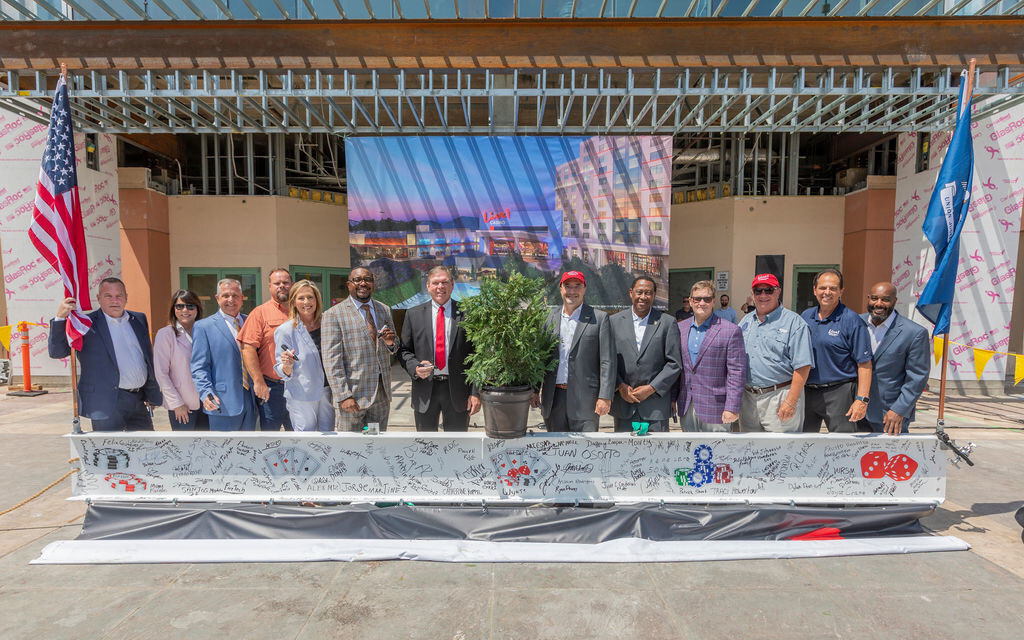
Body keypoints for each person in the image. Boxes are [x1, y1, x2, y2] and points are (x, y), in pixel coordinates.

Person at [48, 277, 162, 431]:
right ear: (98, 298)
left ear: (126, 298)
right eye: (108, 296)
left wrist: (151, 392)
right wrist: (60, 318)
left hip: (137, 401)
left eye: (119, 296)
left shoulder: (138, 319)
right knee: (109, 453)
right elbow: (57, 352)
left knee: (146, 451)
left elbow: (146, 358)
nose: (114, 300)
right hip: (105, 403)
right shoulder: (85, 324)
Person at [397, 266, 481, 431]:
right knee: (426, 445)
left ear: (452, 284)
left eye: (445, 282)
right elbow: (404, 351)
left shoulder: (469, 313)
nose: (440, 287)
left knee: (456, 445)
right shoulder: (413, 314)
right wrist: (415, 368)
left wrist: (476, 392)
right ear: (428, 286)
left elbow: (477, 355)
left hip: (458, 391)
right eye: (435, 283)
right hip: (425, 390)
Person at [535, 271, 615, 432]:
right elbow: (540, 359)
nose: (572, 291)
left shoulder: (599, 319)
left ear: (584, 289)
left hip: (586, 401)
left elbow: (608, 361)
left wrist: (605, 396)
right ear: (560, 289)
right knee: (555, 450)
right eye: (568, 286)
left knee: (585, 453)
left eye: (577, 286)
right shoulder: (547, 318)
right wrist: (534, 391)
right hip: (554, 399)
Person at [321, 267, 398, 432]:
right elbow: (331, 360)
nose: (363, 283)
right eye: (357, 280)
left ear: (373, 284)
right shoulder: (333, 315)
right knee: (350, 448)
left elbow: (394, 346)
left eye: (368, 279)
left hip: (381, 396)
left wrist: (390, 343)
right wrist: (343, 396)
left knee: (376, 446)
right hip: (353, 398)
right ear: (349, 284)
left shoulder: (384, 309)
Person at [737, 273, 814, 433]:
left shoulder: (795, 323)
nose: (763, 295)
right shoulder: (745, 322)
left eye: (769, 290)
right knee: (749, 453)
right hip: (748, 399)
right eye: (758, 291)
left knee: (782, 453)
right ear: (752, 294)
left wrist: (791, 401)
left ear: (778, 292)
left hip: (780, 396)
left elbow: (803, 367)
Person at [800, 268, 872, 433]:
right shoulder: (805, 316)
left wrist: (862, 399)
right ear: (814, 290)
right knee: (802, 445)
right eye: (823, 288)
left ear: (841, 291)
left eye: (833, 288)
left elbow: (865, 364)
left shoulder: (852, 320)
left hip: (840, 392)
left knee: (842, 446)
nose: (827, 292)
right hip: (807, 392)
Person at [610, 276, 681, 433]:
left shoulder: (667, 323)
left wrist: (651, 388)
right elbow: (608, 360)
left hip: (655, 406)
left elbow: (674, 363)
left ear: (654, 295)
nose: (643, 297)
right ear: (631, 293)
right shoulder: (613, 322)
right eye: (639, 292)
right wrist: (620, 386)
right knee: (624, 454)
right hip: (624, 404)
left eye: (648, 293)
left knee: (657, 456)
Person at [859, 282, 930, 434]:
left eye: (885, 299)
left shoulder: (914, 333)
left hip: (889, 415)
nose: (878, 304)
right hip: (855, 411)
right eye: (874, 298)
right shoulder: (856, 323)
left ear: (894, 301)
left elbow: (917, 378)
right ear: (868, 299)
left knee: (889, 458)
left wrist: (899, 410)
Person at [676, 280, 747, 432]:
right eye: (697, 299)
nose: (702, 303)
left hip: (717, 409)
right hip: (686, 406)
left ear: (714, 301)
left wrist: (732, 407)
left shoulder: (730, 331)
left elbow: (737, 373)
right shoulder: (679, 329)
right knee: (688, 453)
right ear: (690, 301)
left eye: (707, 299)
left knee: (718, 454)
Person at [191, 278, 259, 431]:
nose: (231, 300)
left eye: (235, 296)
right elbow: (199, 367)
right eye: (226, 295)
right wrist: (206, 393)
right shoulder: (203, 327)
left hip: (252, 401)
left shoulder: (250, 322)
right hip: (222, 403)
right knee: (224, 453)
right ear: (217, 298)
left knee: (248, 452)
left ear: (242, 298)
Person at [273, 280, 335, 432]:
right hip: (302, 395)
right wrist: (287, 365)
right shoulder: (285, 330)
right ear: (293, 302)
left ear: (317, 300)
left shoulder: (328, 323)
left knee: (328, 439)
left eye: (310, 297)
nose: (306, 302)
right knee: (306, 440)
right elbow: (281, 370)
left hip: (327, 392)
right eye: (301, 298)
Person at [238, 268, 293, 431]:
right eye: (277, 283)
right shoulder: (260, 313)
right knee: (269, 438)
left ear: (292, 284)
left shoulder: (302, 311)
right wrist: (258, 381)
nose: (281, 286)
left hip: (299, 388)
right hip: (272, 388)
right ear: (269, 286)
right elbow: (247, 349)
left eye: (285, 282)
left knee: (301, 436)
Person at [152, 289, 208, 430]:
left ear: (197, 309)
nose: (185, 310)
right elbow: (161, 373)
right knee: (186, 450)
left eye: (190, 306)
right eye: (179, 306)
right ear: (173, 309)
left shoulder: (205, 331)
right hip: (183, 406)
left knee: (207, 449)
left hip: (207, 403)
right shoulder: (166, 334)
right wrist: (176, 404)